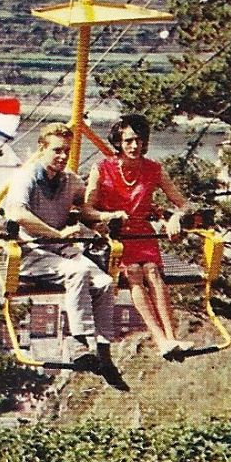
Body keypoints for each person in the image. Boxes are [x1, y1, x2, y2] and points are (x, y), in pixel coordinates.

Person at [3, 122, 124, 385]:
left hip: (59, 250)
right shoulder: (27, 178)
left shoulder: (69, 180)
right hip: (31, 251)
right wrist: (56, 234)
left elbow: (84, 208)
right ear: (42, 148)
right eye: (57, 150)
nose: (62, 157)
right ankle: (78, 342)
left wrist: (104, 217)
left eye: (66, 151)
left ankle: (103, 352)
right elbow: (18, 214)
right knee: (78, 272)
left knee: (105, 282)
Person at [86, 114, 196, 359]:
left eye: (139, 140)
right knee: (135, 272)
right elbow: (87, 208)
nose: (134, 146)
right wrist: (108, 217)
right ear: (118, 142)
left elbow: (183, 204)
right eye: (128, 141)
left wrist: (176, 217)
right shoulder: (101, 168)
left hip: (142, 234)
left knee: (154, 272)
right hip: (114, 235)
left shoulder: (153, 170)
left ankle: (172, 337)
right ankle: (160, 339)